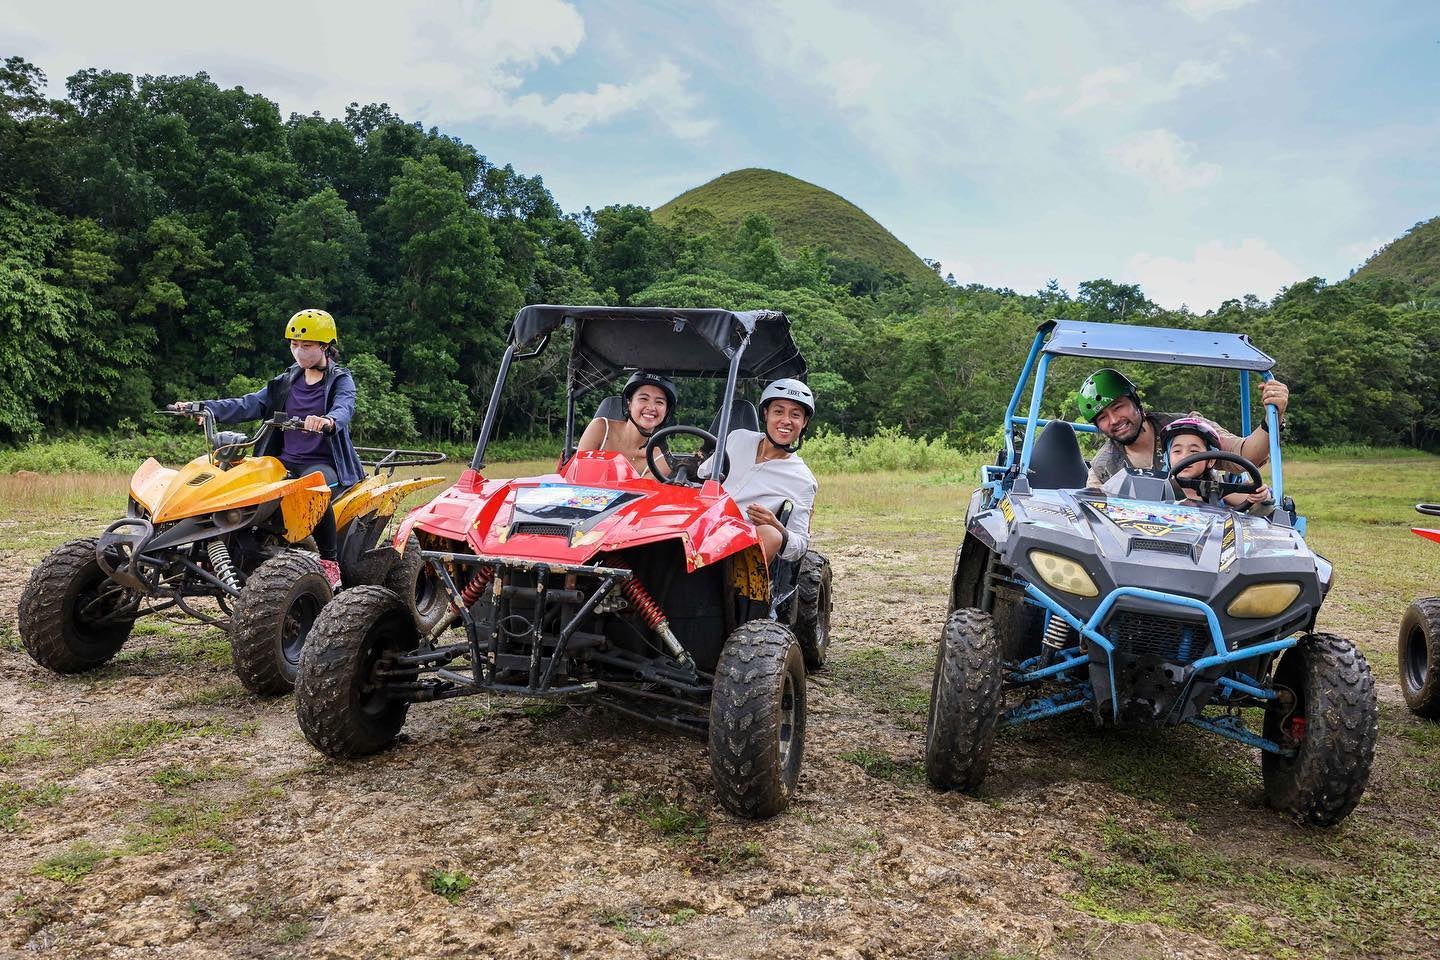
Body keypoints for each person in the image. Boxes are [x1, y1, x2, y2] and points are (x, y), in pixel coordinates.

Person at [172, 308, 363, 588]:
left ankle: (329, 562)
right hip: (282, 461)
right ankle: (231, 549)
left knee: (314, 487)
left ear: (325, 346)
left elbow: (344, 407)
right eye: (293, 345)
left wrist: (327, 421)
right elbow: (248, 404)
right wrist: (202, 407)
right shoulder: (287, 380)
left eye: (306, 346)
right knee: (239, 483)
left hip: (322, 462)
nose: (298, 352)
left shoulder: (340, 380)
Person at [1078, 368, 1289, 488]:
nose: (1114, 420)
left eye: (1118, 407)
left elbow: (1245, 456)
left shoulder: (1189, 428)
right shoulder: (1103, 467)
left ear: (1136, 403)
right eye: (1103, 417)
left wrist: (1273, 417)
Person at [703, 379, 818, 565]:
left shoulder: (802, 479)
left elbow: (800, 544)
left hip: (740, 548)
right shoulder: (737, 438)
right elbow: (702, 474)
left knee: (771, 535)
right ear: (766, 414)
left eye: (795, 415)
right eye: (778, 411)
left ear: (804, 422)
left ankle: (736, 594)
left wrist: (778, 526)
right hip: (702, 527)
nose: (786, 421)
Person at [575, 371, 677, 479]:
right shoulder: (600, 428)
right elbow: (578, 476)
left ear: (666, 412)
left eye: (659, 402)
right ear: (629, 404)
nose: (651, 407)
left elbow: (641, 494)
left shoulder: (661, 461)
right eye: (643, 399)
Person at [1161, 418, 1272, 512]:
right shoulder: (1159, 489)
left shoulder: (1216, 490)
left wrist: (1261, 496)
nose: (1184, 456)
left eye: (1194, 451)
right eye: (1177, 451)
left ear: (1210, 460)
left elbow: (1253, 500)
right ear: (1167, 458)